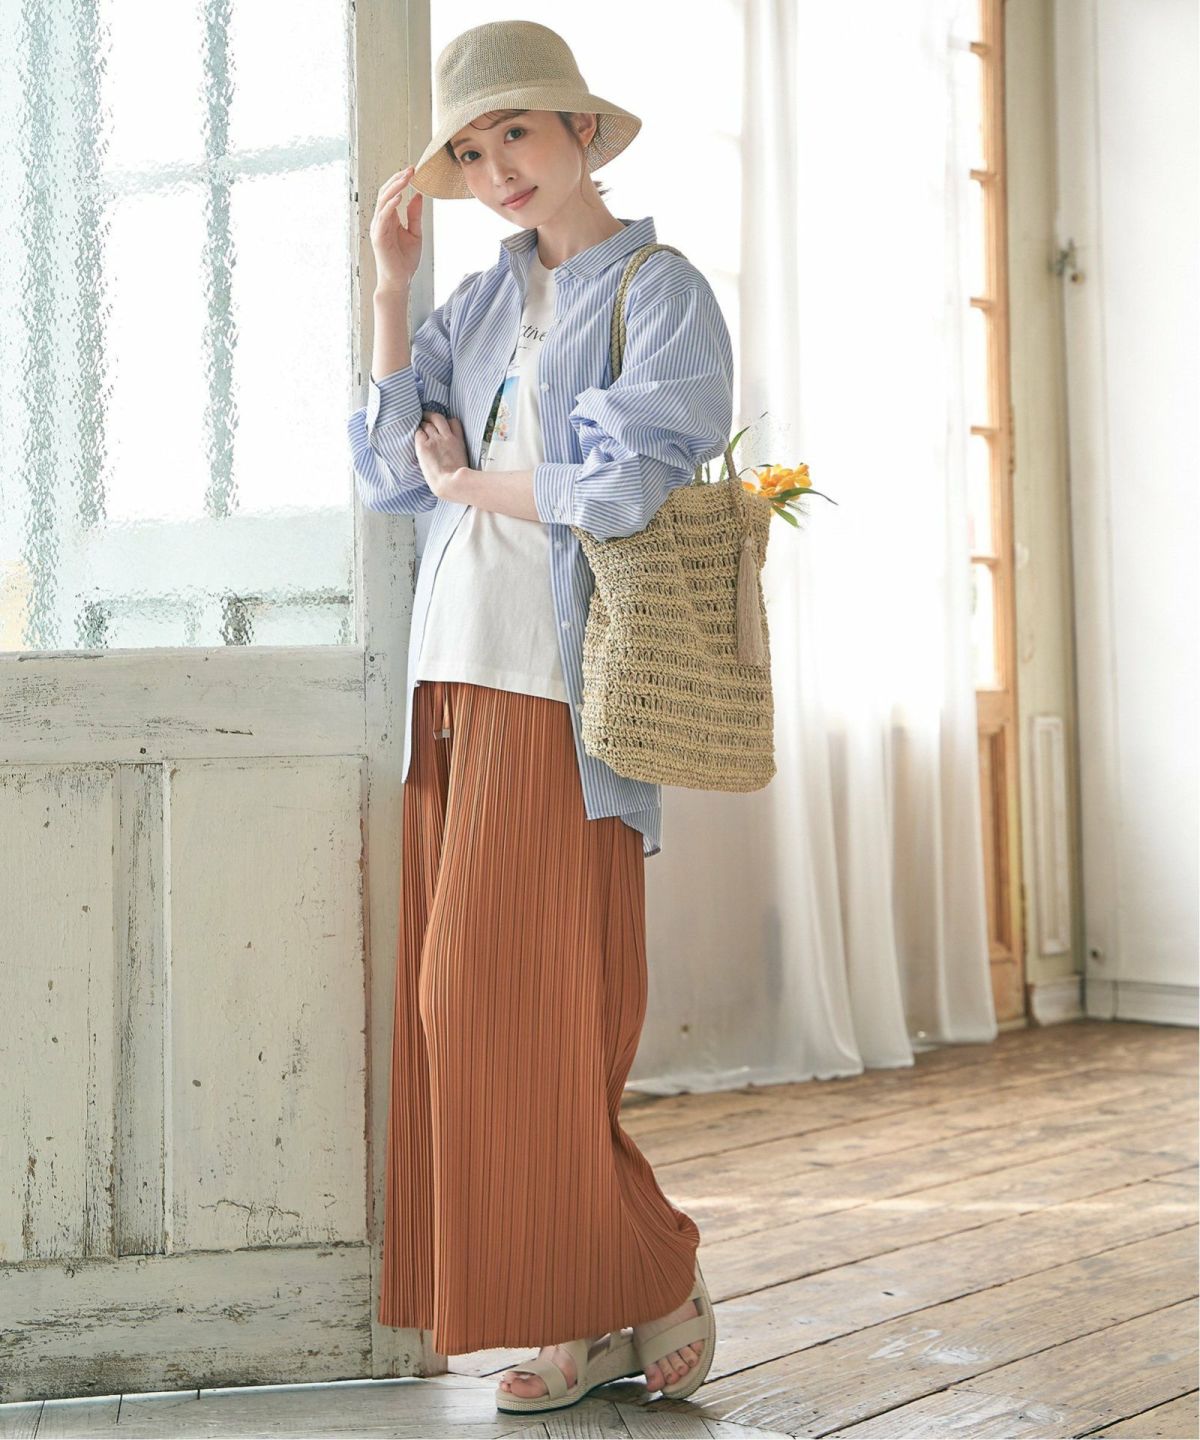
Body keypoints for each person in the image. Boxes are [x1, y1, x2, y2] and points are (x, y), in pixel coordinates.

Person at [346, 19, 730, 1417]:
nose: (497, 166)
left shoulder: (662, 292)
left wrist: (475, 486)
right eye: (470, 148)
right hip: (453, 678)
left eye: (517, 131)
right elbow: (392, 473)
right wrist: (391, 295)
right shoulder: (478, 300)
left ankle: (642, 1272)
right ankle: (595, 1305)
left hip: (563, 694)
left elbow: (623, 486)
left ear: (580, 132)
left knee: (534, 1012)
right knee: (466, 1018)